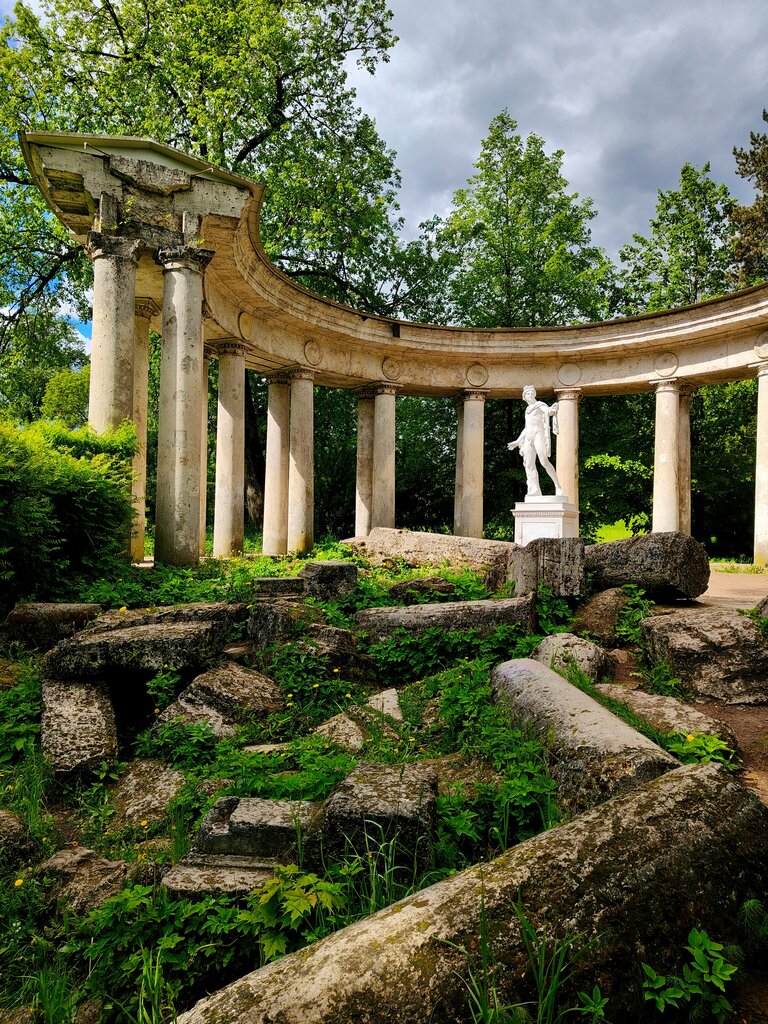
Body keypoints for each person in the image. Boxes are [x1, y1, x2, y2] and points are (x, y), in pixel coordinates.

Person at [507, 385, 563, 497]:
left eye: (532, 392)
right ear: (524, 397)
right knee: (529, 465)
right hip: (528, 438)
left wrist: (552, 409)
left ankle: (557, 486)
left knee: (544, 462)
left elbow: (547, 411)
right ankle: (534, 490)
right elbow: (527, 427)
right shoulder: (527, 410)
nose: (531, 394)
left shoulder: (540, 405)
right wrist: (517, 441)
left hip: (538, 436)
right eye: (528, 393)